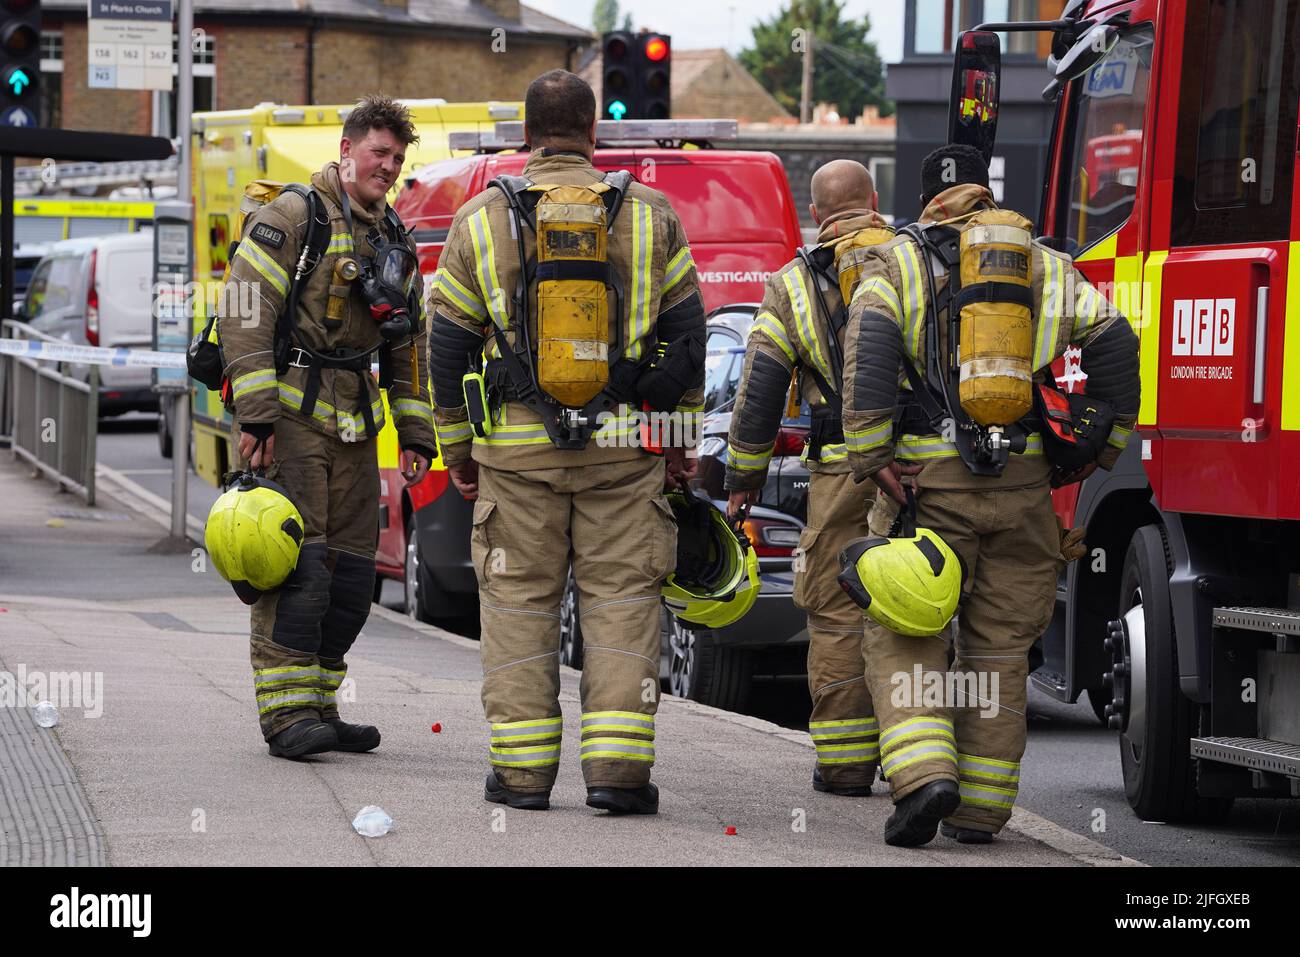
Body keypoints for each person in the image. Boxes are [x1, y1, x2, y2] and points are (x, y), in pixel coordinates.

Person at [841, 144, 1141, 846]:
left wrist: (871, 455)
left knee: (904, 629)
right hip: (1022, 490)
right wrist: (1096, 448)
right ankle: (981, 808)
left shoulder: (900, 263)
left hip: (925, 488)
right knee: (1001, 648)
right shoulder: (1041, 263)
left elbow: (873, 349)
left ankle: (923, 775)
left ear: (924, 199)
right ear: (984, 190)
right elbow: (1116, 345)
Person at [428, 70, 706, 815]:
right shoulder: (652, 216)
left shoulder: (480, 219)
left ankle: (522, 777)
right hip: (624, 453)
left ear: (526, 135)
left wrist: (457, 450)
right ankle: (617, 775)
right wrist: (678, 441)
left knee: (519, 601)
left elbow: (446, 348)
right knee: (621, 601)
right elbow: (688, 337)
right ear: (593, 133)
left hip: (516, 459)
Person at [218, 95, 438, 759]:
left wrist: (417, 430)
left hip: (356, 425)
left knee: (348, 574)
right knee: (299, 564)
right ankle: (284, 717)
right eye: (379, 153)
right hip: (289, 417)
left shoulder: (393, 236)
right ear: (347, 152)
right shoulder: (293, 214)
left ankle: (319, 703)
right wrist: (256, 415)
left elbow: (410, 343)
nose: (390, 167)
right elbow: (243, 310)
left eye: (398, 158)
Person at [724, 160, 897, 796]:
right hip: (927, 464)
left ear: (816, 214)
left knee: (835, 607)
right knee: (927, 600)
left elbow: (763, 384)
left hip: (844, 472)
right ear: (874, 201)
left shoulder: (795, 283)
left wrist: (742, 473)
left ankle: (847, 764)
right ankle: (924, 757)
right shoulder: (917, 259)